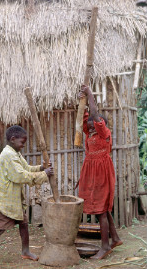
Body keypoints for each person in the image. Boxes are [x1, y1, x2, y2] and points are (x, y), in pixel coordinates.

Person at [0, 125, 54, 265]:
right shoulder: (8, 155)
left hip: (13, 200)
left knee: (23, 223)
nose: (23, 145)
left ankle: (25, 251)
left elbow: (27, 168)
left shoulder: (15, 153)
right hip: (2, 200)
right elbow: (20, 176)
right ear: (13, 139)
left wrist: (41, 168)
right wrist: (44, 174)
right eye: (22, 142)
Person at [78, 85, 123, 259]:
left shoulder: (104, 133)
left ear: (100, 125)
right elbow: (85, 118)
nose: (89, 128)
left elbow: (94, 115)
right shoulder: (90, 134)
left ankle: (104, 247)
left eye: (93, 126)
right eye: (88, 126)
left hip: (102, 174)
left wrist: (90, 95)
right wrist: (81, 100)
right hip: (90, 174)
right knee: (101, 208)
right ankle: (115, 238)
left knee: (100, 210)